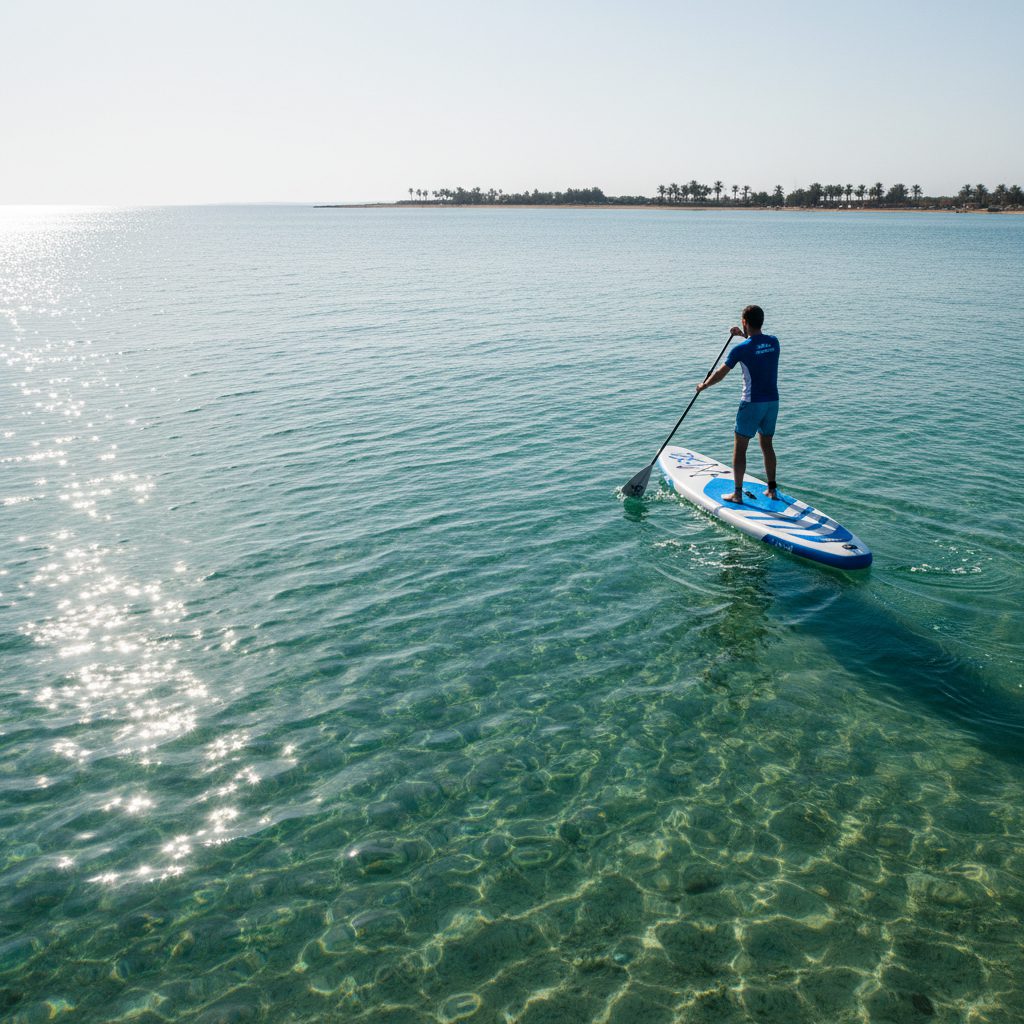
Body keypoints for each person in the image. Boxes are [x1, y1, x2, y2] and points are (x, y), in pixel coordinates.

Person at [695, 305, 780, 503]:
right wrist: (743, 334)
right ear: (762, 321)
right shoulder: (774, 342)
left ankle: (737, 494)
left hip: (751, 403)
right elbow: (757, 346)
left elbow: (720, 374)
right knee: (767, 445)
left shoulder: (740, 349)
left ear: (744, 321)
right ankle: (772, 490)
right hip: (772, 403)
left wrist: (704, 385)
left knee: (740, 447)